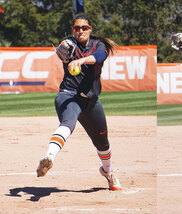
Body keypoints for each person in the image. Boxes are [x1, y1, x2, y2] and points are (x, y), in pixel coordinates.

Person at [36, 14, 121, 191]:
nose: (80, 31)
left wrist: (81, 60)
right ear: (73, 30)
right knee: (68, 123)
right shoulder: (69, 44)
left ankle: (108, 172)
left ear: (90, 29)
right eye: (76, 28)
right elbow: (63, 51)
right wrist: (63, 55)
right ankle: (49, 157)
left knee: (103, 143)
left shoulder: (99, 45)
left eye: (84, 27)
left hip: (91, 101)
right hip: (68, 96)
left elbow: (98, 57)